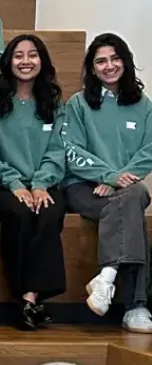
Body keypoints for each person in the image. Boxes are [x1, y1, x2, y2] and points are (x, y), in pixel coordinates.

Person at [63, 33, 152, 332]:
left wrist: (116, 182)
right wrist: (108, 176)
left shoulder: (143, 106)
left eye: (115, 59)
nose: (109, 66)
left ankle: (106, 278)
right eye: (101, 61)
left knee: (133, 197)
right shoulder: (78, 104)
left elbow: (149, 150)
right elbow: (70, 150)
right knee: (133, 201)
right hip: (82, 187)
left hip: (123, 188)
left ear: (125, 61)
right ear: (92, 68)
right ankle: (136, 306)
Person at [0, 34, 67, 330]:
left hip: (44, 182)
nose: (25, 61)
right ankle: (26, 298)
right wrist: (15, 184)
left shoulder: (53, 102)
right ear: (9, 62)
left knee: (49, 212)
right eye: (18, 55)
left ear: (42, 61)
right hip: (0, 182)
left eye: (32, 55)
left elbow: (58, 150)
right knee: (19, 213)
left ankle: (30, 298)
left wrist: (40, 184)